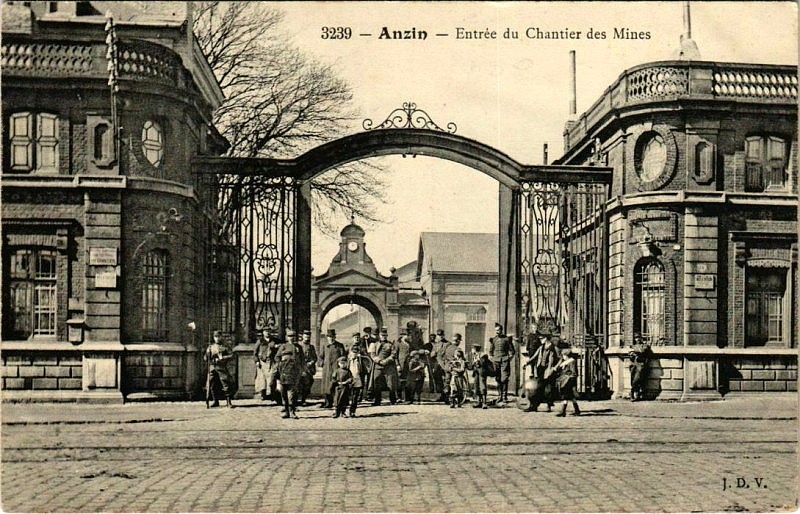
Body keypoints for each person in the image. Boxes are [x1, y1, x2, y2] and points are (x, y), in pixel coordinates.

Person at [275, 329, 304, 419]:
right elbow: (277, 357)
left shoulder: (298, 347)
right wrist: (280, 364)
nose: (291, 338)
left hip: (294, 372)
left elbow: (302, 359)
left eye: (293, 336)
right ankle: (286, 411)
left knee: (293, 393)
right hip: (283, 372)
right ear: (287, 337)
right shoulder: (283, 346)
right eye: (289, 336)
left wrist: (301, 370)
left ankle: (292, 411)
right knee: (283, 393)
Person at [528, 331, 559, 411]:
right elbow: (535, 356)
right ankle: (534, 406)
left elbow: (556, 359)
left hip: (548, 370)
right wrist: (528, 362)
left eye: (542, 338)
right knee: (538, 388)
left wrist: (552, 369)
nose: (540, 340)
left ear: (546, 338)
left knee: (548, 389)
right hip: (540, 369)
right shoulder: (541, 347)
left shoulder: (553, 348)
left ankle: (548, 405)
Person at [204, 330, 236, 408]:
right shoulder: (211, 347)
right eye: (215, 337)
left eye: (218, 336)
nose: (217, 338)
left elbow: (231, 355)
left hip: (221, 367)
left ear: (221, 337)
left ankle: (229, 402)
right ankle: (215, 401)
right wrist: (207, 355)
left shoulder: (225, 346)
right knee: (211, 385)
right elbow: (205, 358)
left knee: (225, 384)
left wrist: (223, 358)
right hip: (212, 367)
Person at [317, 329, 346, 408]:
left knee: (336, 385)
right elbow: (320, 356)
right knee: (326, 386)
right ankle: (327, 402)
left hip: (336, 369)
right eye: (329, 337)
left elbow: (343, 356)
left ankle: (337, 401)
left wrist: (341, 364)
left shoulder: (339, 346)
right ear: (327, 337)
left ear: (335, 337)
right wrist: (321, 363)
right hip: (326, 369)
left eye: (332, 336)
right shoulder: (324, 346)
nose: (331, 338)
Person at [370, 328, 399, 405]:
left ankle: (393, 400)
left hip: (389, 366)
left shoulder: (390, 344)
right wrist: (379, 361)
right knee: (377, 383)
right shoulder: (374, 344)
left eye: (385, 335)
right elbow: (372, 355)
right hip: (378, 366)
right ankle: (377, 401)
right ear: (379, 335)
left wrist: (386, 361)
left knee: (391, 383)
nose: (383, 337)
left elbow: (393, 354)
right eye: (382, 335)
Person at [488, 324, 516, 404]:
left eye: (498, 330)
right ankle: (499, 396)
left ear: (501, 330)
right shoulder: (494, 340)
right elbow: (490, 351)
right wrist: (492, 358)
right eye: (496, 330)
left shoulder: (506, 339)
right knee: (498, 379)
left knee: (504, 379)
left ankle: (504, 397)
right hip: (496, 361)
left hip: (504, 361)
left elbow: (512, 351)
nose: (497, 332)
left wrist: (508, 358)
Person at [554, 343, 581, 416]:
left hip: (569, 381)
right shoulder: (568, 361)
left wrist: (566, 377)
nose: (563, 357)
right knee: (571, 397)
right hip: (568, 381)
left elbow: (573, 373)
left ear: (566, 355)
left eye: (564, 356)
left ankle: (563, 411)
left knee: (566, 396)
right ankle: (577, 410)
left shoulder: (571, 362)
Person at [468, 341, 493, 409]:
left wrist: (478, 361)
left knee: (482, 386)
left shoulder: (483, 355)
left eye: (472, 349)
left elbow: (483, 364)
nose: (471, 350)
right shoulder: (473, 356)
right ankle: (479, 402)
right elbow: (471, 366)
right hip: (476, 373)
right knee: (476, 387)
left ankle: (484, 403)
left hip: (482, 373)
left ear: (475, 349)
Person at [347, 342, 369, 417]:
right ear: (350, 352)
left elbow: (366, 366)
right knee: (345, 396)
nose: (354, 354)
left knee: (355, 396)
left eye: (356, 352)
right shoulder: (347, 360)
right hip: (348, 380)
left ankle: (352, 411)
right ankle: (342, 411)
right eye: (353, 352)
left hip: (357, 379)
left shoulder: (360, 360)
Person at [629, 334, 652, 401]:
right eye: (636, 338)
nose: (637, 339)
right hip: (633, 364)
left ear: (641, 338)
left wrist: (635, 351)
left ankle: (632, 392)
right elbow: (630, 353)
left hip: (641, 364)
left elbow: (643, 351)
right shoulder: (632, 346)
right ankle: (635, 394)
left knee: (637, 379)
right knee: (633, 379)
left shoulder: (644, 345)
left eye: (639, 338)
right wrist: (632, 354)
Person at [298, 330, 318, 406]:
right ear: (302, 336)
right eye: (305, 336)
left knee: (308, 383)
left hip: (308, 368)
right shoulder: (299, 345)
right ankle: (296, 400)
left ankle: (303, 399)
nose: (307, 338)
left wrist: (311, 363)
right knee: (299, 384)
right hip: (300, 367)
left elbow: (315, 357)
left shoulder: (311, 347)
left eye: (308, 336)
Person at [253, 328, 272, 401]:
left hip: (271, 361)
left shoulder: (273, 340)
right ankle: (262, 394)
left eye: (269, 331)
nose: (267, 333)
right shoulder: (260, 341)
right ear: (263, 332)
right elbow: (255, 353)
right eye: (266, 331)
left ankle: (270, 394)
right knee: (261, 378)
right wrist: (257, 361)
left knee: (270, 377)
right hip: (262, 362)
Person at [396, 330, 411, 402]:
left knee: (408, 382)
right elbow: (395, 355)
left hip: (408, 365)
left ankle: (407, 398)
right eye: (406, 335)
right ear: (402, 336)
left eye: (407, 335)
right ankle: (399, 397)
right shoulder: (398, 344)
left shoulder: (409, 344)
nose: (407, 336)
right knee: (400, 382)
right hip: (401, 365)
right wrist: (397, 365)